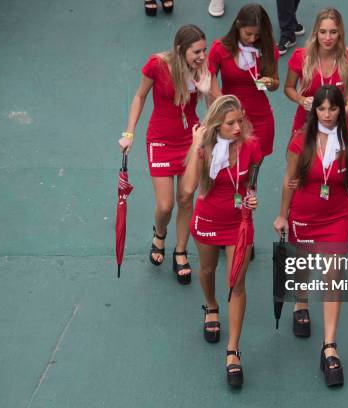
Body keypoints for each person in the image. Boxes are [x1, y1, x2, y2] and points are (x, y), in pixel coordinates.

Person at [273, 85, 348, 387]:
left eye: (332, 108)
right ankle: (301, 303)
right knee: (303, 266)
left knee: (333, 275)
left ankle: (329, 346)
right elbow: (289, 180)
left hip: (337, 216)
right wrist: (283, 215)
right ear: (314, 111)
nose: (326, 114)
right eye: (321, 109)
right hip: (304, 214)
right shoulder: (300, 142)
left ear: (342, 110)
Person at [118, 25, 211, 285]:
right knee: (165, 205)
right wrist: (129, 133)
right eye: (196, 51)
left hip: (190, 140)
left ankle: (180, 251)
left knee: (186, 198)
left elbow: (216, 107)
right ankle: (160, 234)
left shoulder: (202, 69)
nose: (202, 56)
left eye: (204, 50)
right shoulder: (157, 65)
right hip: (160, 140)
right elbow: (139, 96)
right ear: (181, 50)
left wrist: (206, 90)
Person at [183, 95, 262, 387]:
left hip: (239, 223)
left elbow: (252, 181)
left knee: (237, 283)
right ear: (217, 125)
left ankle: (233, 350)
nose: (238, 127)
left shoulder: (252, 147)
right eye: (231, 123)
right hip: (208, 220)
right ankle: (211, 305)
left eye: (240, 120)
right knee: (206, 271)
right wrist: (195, 145)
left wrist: (252, 197)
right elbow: (189, 188)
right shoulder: (205, 149)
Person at [208, 3, 280, 160]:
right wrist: (225, 112)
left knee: (252, 173)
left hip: (261, 119)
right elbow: (210, 83)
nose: (253, 39)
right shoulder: (220, 49)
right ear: (238, 25)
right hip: (231, 120)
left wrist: (270, 83)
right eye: (248, 34)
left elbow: (276, 83)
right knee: (231, 167)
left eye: (257, 35)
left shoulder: (268, 48)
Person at [284, 7, 348, 136]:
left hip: (338, 122)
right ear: (316, 33)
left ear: (340, 33)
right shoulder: (300, 56)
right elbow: (288, 87)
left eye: (333, 32)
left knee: (345, 156)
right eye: (323, 32)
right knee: (298, 156)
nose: (327, 38)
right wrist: (301, 100)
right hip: (307, 121)